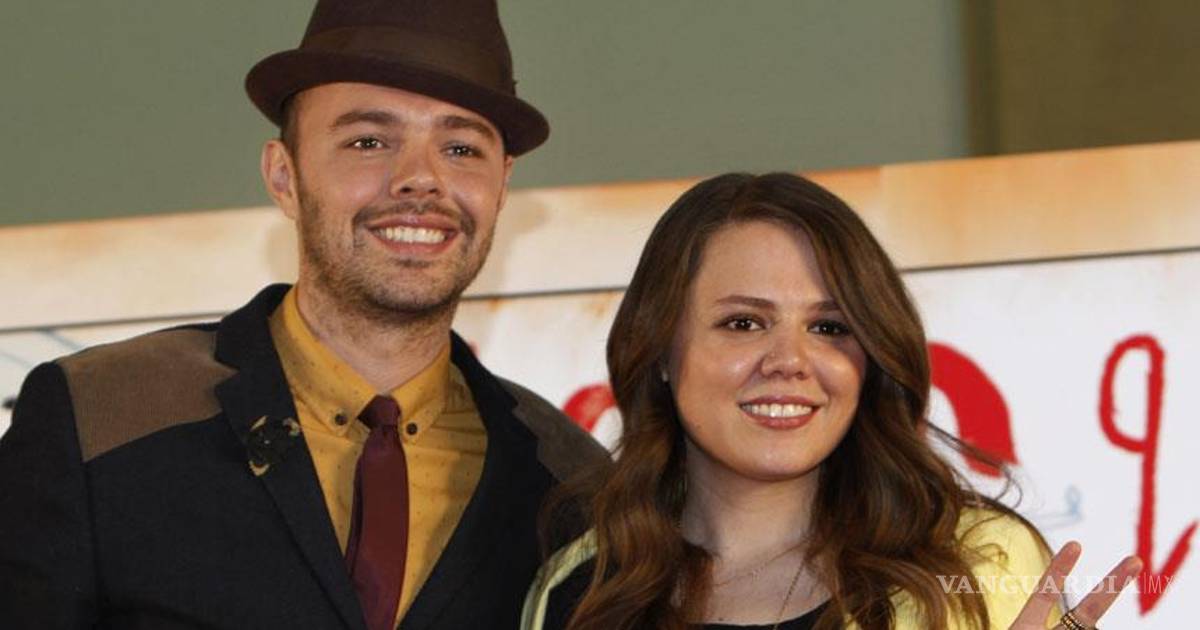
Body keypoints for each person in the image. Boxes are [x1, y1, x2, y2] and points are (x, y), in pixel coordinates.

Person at [0, 1, 606, 628]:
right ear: (284, 176)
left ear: (502, 184)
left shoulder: (571, 483)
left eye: (461, 148)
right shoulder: (100, 417)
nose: (420, 179)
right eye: (368, 141)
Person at [521, 173, 1141, 630]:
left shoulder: (974, 565)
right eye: (743, 323)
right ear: (659, 347)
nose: (790, 360)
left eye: (829, 327)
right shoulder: (582, 587)